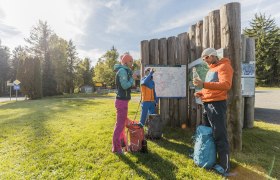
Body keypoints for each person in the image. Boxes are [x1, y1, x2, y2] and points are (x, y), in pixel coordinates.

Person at [193, 48, 233, 174]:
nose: (205, 61)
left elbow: (226, 85)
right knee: (208, 133)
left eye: (205, 58)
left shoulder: (224, 66)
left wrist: (203, 85)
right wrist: (201, 93)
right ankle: (207, 156)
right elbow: (211, 87)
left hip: (217, 105)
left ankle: (224, 165)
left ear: (212, 56)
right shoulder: (211, 68)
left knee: (219, 134)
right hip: (207, 104)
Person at [112, 53, 138, 154]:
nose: (132, 63)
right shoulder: (122, 71)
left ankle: (122, 144)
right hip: (121, 101)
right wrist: (132, 79)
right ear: (126, 62)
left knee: (122, 124)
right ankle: (116, 148)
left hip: (123, 101)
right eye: (131, 61)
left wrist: (132, 77)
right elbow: (125, 85)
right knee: (119, 125)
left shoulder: (125, 71)